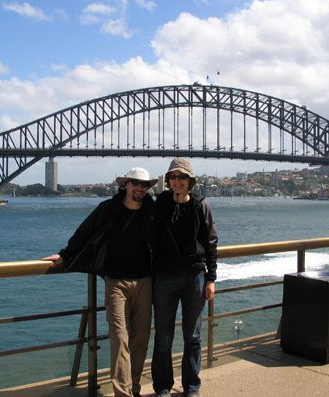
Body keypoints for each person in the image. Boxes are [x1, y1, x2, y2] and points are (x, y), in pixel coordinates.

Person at [43, 167, 157, 397]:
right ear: (125, 184)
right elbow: (83, 233)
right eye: (136, 183)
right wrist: (65, 255)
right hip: (116, 283)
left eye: (145, 185)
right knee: (120, 338)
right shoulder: (108, 209)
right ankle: (122, 393)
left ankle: (134, 388)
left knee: (140, 339)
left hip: (145, 281)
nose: (140, 189)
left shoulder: (153, 211)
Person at [151, 158, 218, 397]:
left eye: (182, 177)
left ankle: (192, 386)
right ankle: (162, 386)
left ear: (190, 181)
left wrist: (211, 278)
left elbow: (211, 244)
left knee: (193, 336)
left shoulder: (201, 206)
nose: (177, 181)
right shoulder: (159, 204)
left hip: (194, 277)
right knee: (163, 336)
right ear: (168, 181)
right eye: (173, 177)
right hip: (165, 276)